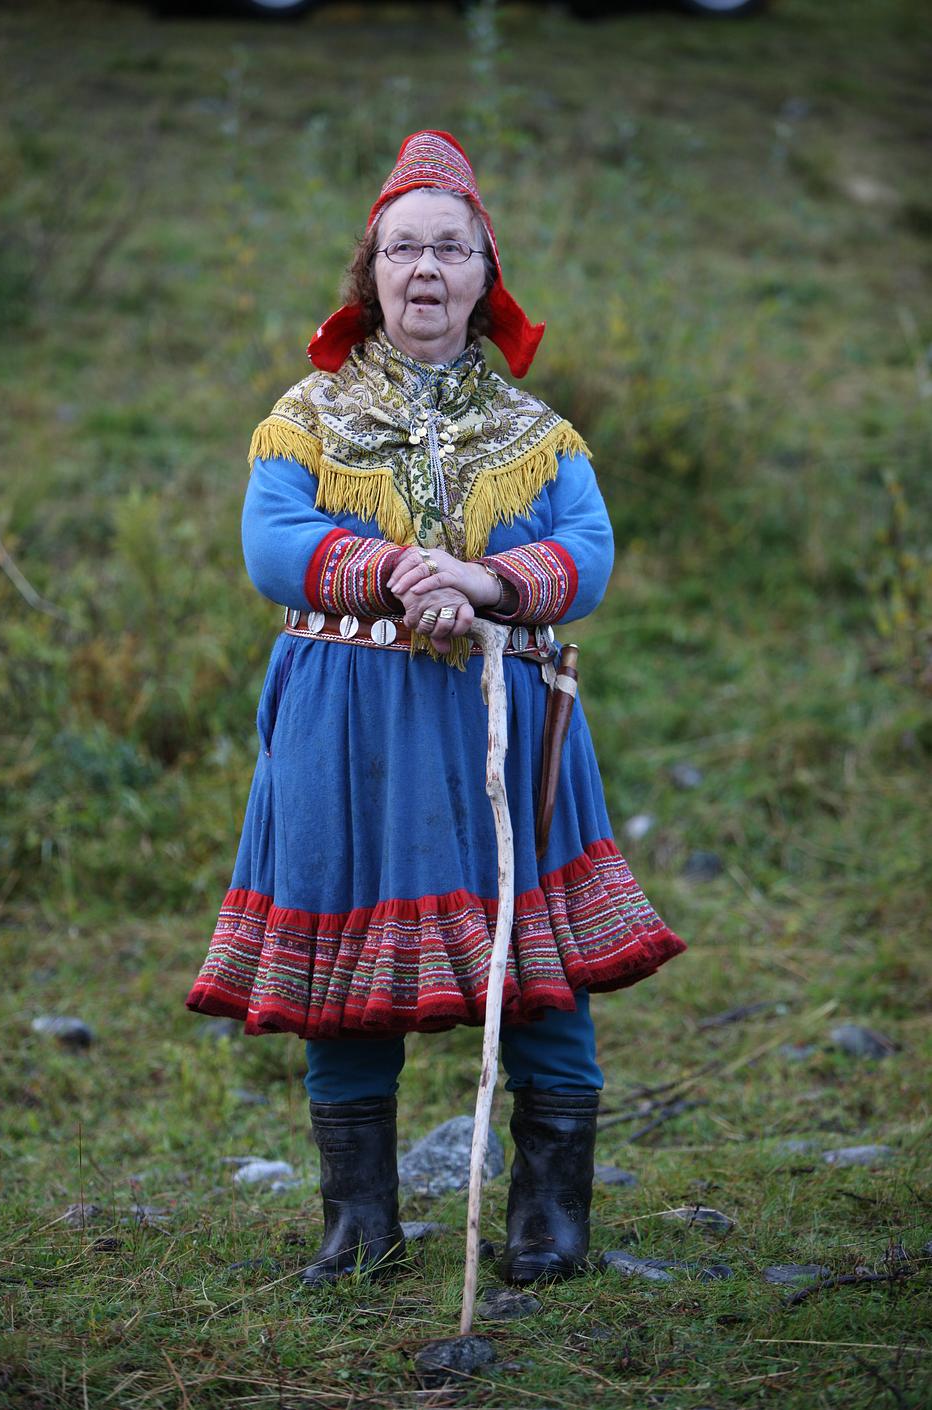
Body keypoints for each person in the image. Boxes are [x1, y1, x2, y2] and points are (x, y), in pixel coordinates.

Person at [186, 130, 686, 1288]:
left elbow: (590, 556)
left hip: (503, 734)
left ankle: (547, 1228)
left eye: (448, 249)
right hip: (347, 732)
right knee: (346, 982)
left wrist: (484, 582)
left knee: (536, 954)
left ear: (483, 273)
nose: (424, 270)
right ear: (370, 272)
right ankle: (359, 1230)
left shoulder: (537, 431)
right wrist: (395, 570)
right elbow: (272, 546)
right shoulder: (304, 416)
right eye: (402, 248)